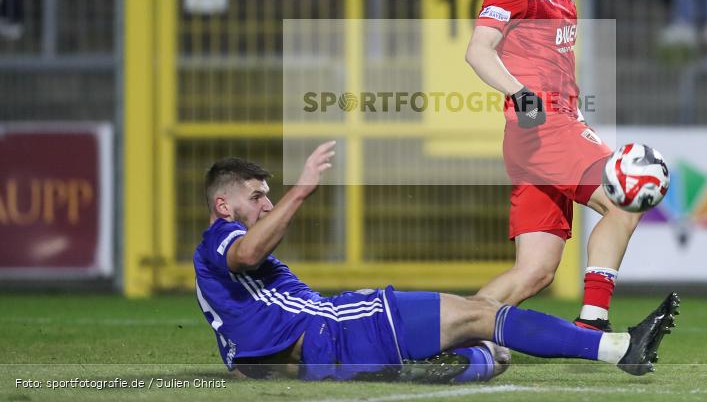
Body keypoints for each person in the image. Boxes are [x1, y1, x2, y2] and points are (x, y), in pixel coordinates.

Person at [194, 142, 679, 382]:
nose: (266, 205)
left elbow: (251, 357)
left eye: (270, 196)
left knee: (487, 347)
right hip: (342, 328)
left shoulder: (234, 282)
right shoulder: (221, 241)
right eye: (257, 197)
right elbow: (248, 252)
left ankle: (460, 359)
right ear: (223, 206)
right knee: (482, 315)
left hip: (331, 350)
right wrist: (301, 191)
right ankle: (616, 347)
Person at [465, 0, 665, 332]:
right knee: (626, 199)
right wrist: (521, 93)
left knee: (535, 271)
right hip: (544, 127)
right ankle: (592, 323)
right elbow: (479, 50)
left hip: (540, 136)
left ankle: (444, 329)